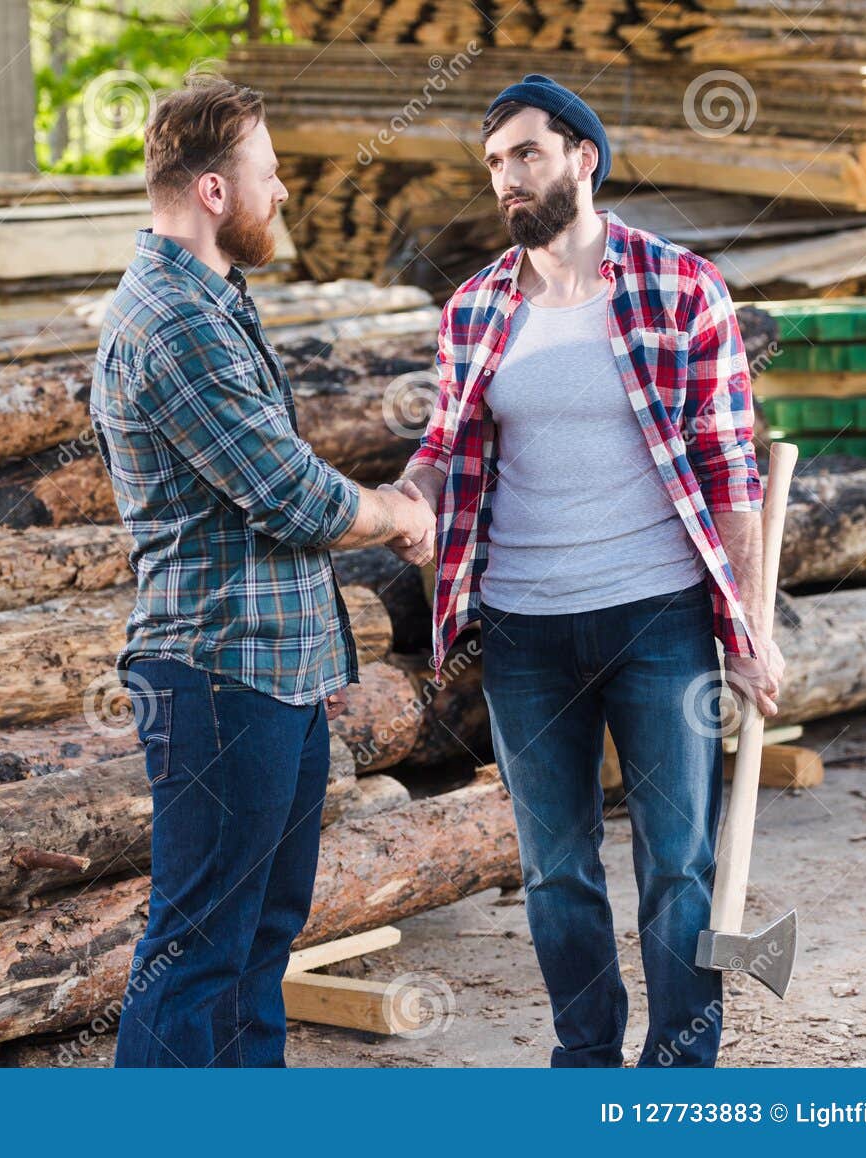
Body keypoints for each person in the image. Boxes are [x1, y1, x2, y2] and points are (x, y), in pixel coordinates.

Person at [388, 74, 785, 1068]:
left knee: (678, 867)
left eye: (525, 153)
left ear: (581, 158)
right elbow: (439, 446)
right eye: (493, 164)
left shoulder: (679, 286)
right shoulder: (474, 309)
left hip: (658, 620)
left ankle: (678, 1077)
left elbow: (732, 478)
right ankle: (585, 1067)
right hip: (524, 630)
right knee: (556, 869)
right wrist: (407, 499)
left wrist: (746, 632)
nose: (507, 178)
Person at [89, 75, 435, 1067]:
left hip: (270, 667)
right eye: (269, 175)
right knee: (199, 948)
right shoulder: (174, 322)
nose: (280, 193)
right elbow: (288, 494)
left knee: (258, 939)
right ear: (211, 190)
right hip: (217, 673)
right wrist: (397, 515)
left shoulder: (211, 299)